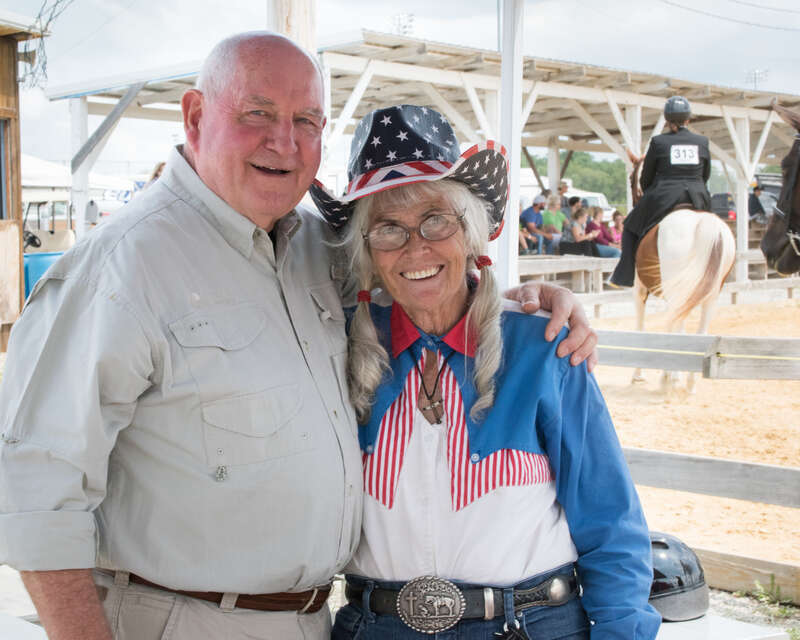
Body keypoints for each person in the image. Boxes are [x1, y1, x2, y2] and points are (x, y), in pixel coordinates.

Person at [0, 33, 597, 640]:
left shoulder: (322, 247)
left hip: (319, 621)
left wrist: (530, 303)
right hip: (182, 618)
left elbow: (425, 277)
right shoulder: (118, 269)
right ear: (196, 117)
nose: (283, 142)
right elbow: (36, 492)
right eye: (257, 113)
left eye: (307, 120)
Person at [309, 104, 661, 640]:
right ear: (367, 250)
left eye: (435, 220)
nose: (415, 247)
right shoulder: (334, 343)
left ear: (473, 234)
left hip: (528, 627)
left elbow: (610, 523)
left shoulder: (543, 346)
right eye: (388, 229)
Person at [610, 96, 711, 287]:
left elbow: (646, 177)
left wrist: (650, 193)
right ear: (688, 119)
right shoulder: (702, 142)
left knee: (630, 226)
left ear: (667, 120)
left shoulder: (659, 142)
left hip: (665, 195)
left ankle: (624, 275)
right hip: (699, 197)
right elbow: (706, 174)